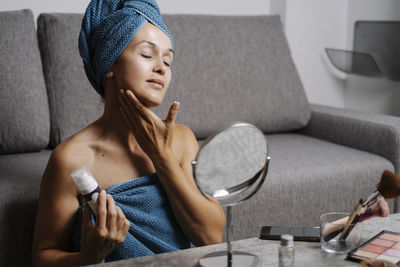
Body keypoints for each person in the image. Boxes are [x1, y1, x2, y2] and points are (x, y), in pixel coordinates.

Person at [31, 0, 225, 266]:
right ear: (110, 63)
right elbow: (42, 257)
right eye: (147, 55)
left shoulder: (181, 141)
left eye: (168, 60)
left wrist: (162, 158)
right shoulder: (71, 160)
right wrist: (88, 257)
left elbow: (211, 236)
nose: (161, 68)